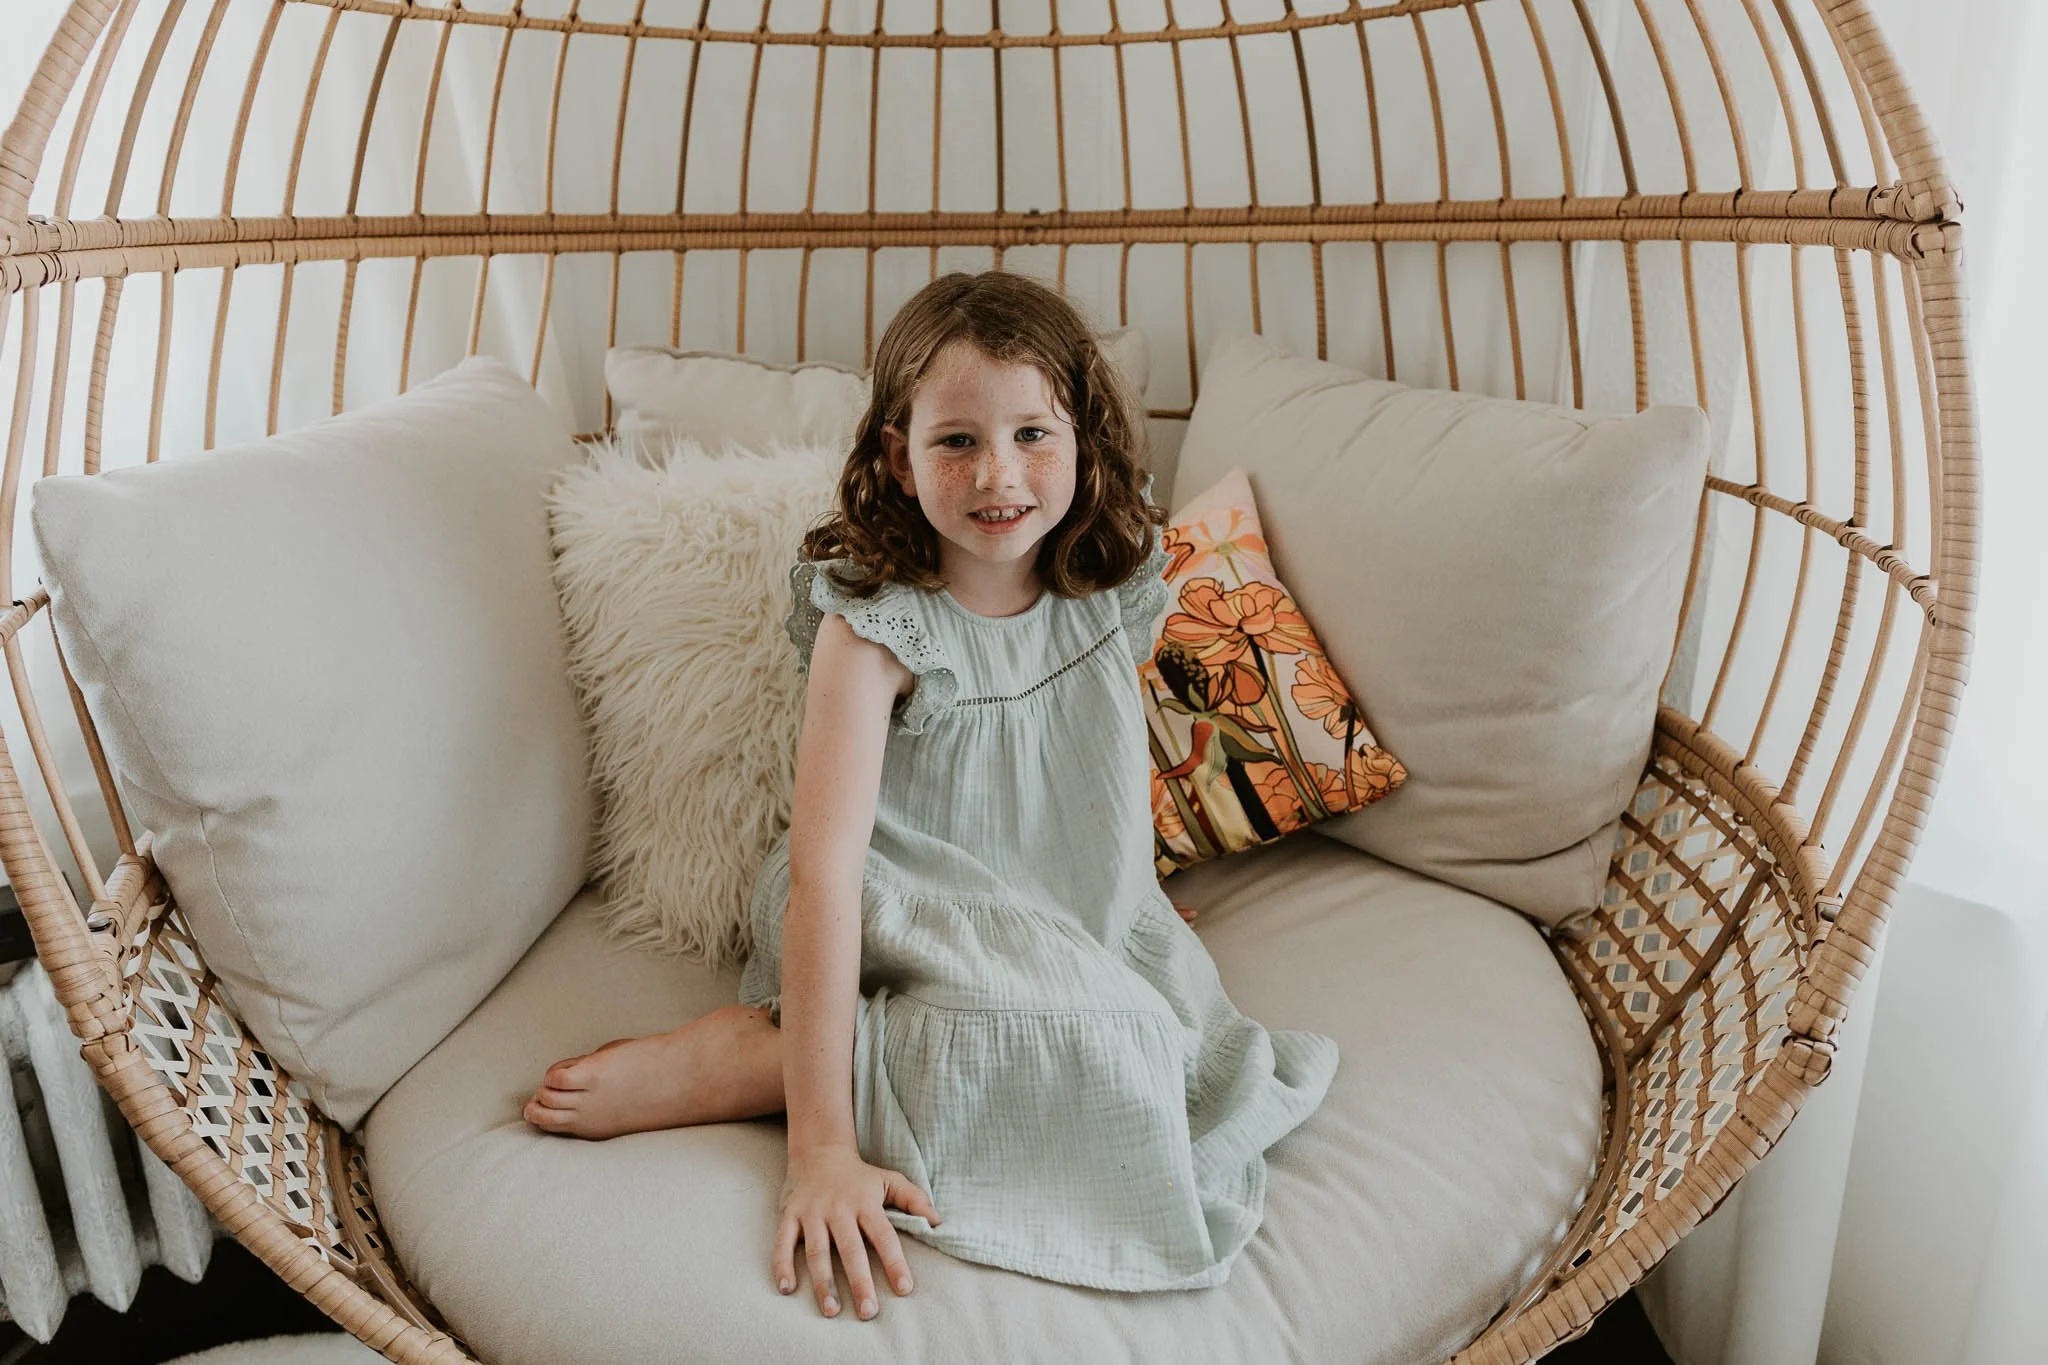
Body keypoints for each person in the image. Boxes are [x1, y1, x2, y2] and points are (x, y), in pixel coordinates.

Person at [522, 271, 1337, 1320]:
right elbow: (824, 873)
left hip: (1052, 898)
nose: (998, 473)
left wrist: (1116, 888)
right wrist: (821, 1151)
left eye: (1032, 433)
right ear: (896, 461)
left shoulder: (1112, 579)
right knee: (1086, 1041)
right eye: (955, 440)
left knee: (1170, 1040)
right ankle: (767, 1066)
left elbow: (1086, 761)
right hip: (893, 908)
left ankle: (846, 1050)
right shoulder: (876, 631)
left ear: (1083, 442)